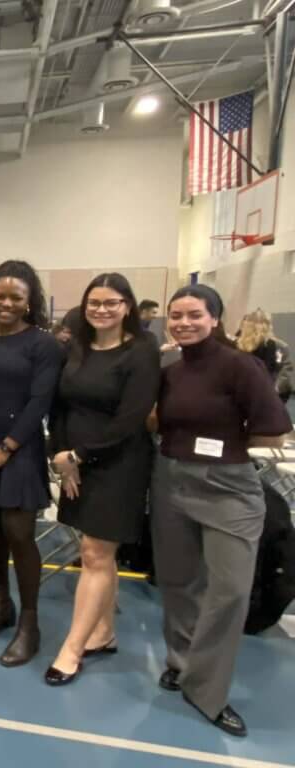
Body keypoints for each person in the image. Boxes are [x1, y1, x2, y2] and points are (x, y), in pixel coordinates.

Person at [151, 285, 291, 738]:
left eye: (194, 315)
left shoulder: (240, 366)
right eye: (176, 315)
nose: (183, 323)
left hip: (228, 486)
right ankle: (180, 662)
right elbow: (157, 420)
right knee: (178, 580)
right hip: (171, 479)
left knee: (229, 590)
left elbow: (274, 432)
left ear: (215, 318)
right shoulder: (169, 368)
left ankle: (206, 691)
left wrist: (224, 445)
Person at [44, 274, 161, 686]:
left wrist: (80, 455)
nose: (102, 309)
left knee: (95, 551)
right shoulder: (77, 345)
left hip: (119, 464)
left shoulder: (142, 350)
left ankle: (71, 649)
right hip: (74, 462)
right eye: (95, 302)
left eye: (112, 302)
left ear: (127, 306)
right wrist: (60, 454)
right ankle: (104, 631)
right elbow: (58, 405)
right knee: (98, 553)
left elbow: (131, 418)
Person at [0, 260, 64, 666]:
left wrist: (4, 449)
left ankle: (30, 623)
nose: (5, 303)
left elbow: (39, 402)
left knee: (19, 533)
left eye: (15, 297)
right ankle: (1, 605)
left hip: (19, 452)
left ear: (29, 302)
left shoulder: (44, 345)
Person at [236, 309, 293, 402]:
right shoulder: (237, 345)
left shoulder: (279, 347)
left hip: (267, 397)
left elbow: (284, 375)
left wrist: (273, 391)